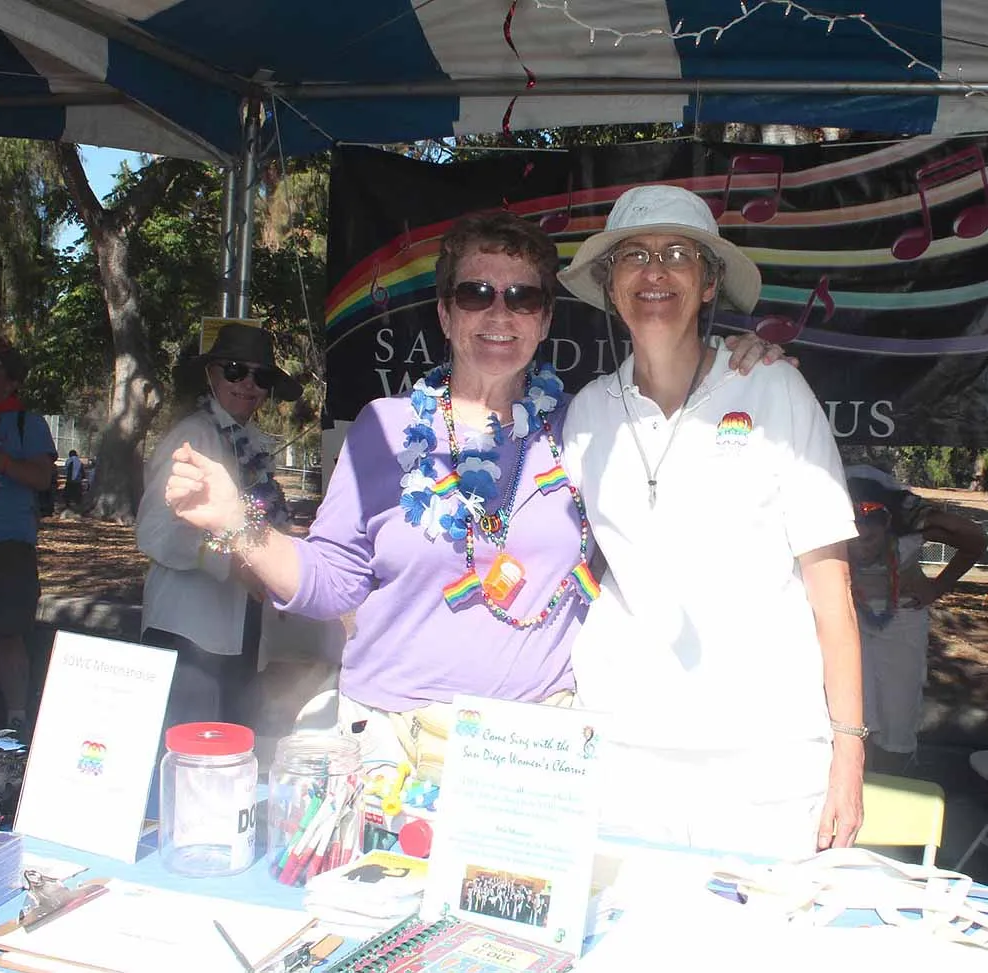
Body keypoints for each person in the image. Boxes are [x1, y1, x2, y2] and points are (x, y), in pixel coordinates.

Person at [161, 210, 782, 775]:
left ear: (544, 319)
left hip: (532, 746)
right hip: (391, 743)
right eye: (476, 293)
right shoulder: (383, 428)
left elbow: (683, 450)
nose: (499, 314)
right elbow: (331, 583)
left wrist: (739, 370)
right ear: (445, 314)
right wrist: (233, 521)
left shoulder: (589, 424)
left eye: (523, 297)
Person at [558, 184, 865, 858]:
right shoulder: (585, 414)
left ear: (707, 284)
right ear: (610, 285)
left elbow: (832, 593)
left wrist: (849, 753)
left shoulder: (775, 388)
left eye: (678, 254)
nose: (655, 271)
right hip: (624, 757)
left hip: (765, 764)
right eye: (634, 255)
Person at [135, 324, 302, 728]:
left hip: (240, 629)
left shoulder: (250, 442)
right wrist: (232, 562)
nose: (248, 385)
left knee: (234, 745)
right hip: (188, 629)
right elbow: (154, 530)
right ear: (211, 374)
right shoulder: (192, 438)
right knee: (188, 749)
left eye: (261, 377)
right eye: (235, 371)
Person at [846, 465, 986, 771]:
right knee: (855, 706)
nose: (861, 545)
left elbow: (975, 539)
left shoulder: (911, 527)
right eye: (854, 535)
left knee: (898, 708)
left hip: (902, 620)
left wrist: (938, 587)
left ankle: (895, 771)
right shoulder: (827, 525)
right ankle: (859, 773)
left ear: (888, 521)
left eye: (870, 536)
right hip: (850, 618)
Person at [0, 340, 57, 735]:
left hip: (8, 546)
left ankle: (15, 721)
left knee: (9, 634)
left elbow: (42, 477)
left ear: (11, 381)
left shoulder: (27, 425)